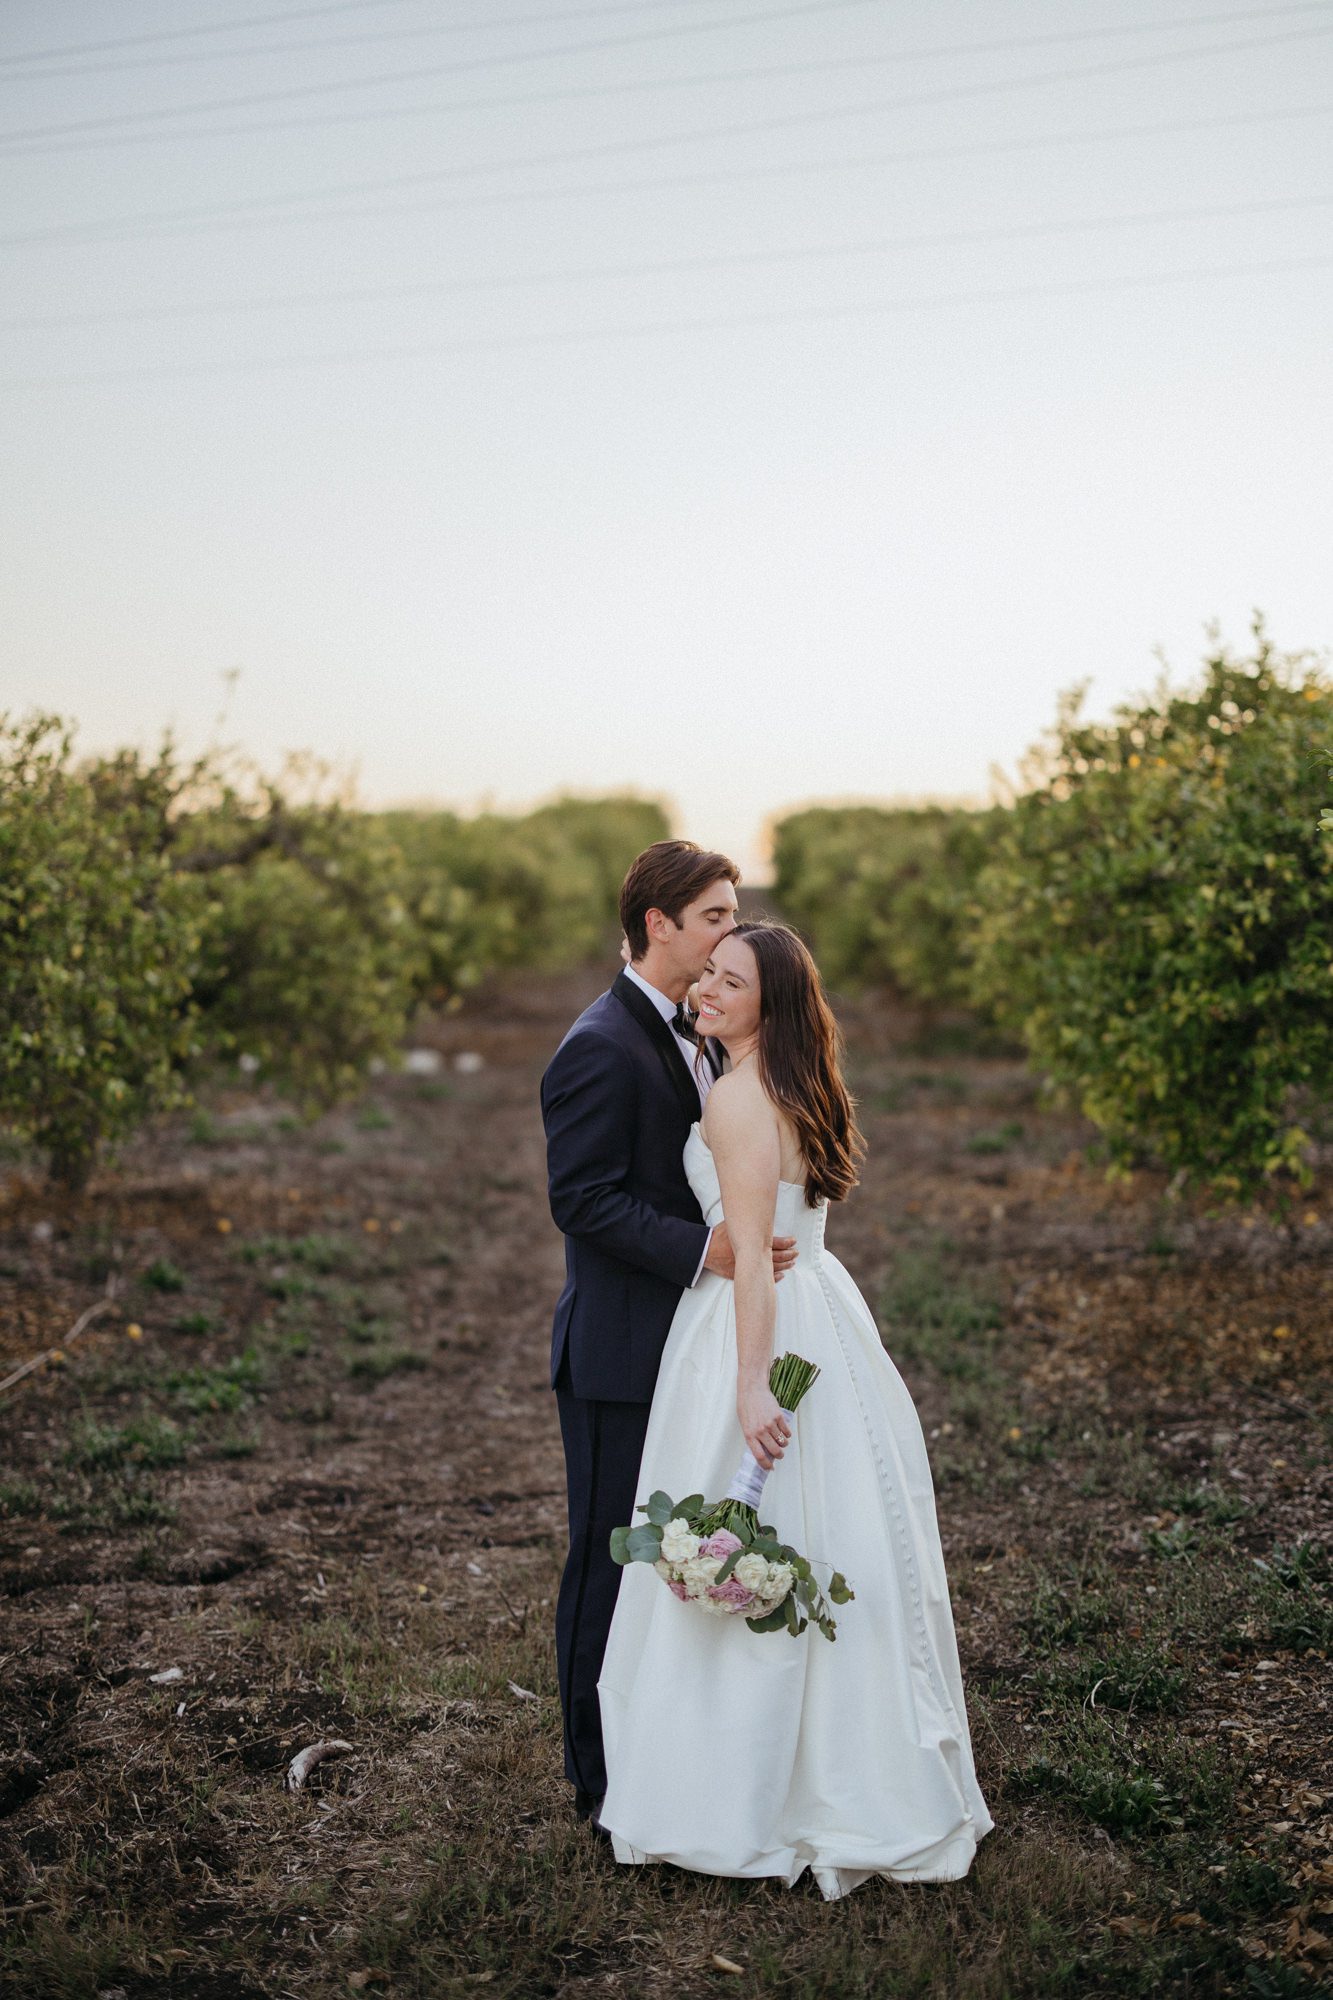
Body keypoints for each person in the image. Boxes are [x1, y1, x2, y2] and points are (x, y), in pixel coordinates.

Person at [597, 920, 996, 1897]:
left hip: (763, 1322)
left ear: (769, 1003)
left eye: (731, 983)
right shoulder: (799, 1084)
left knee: (760, 1522)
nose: (708, 991)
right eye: (709, 975)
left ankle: (751, 1793)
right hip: (827, 1308)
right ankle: (852, 1757)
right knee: (837, 1528)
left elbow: (751, 1267)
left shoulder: (736, 1099)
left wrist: (748, 1383)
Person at [540, 843, 799, 1826]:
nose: (727, 935)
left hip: (681, 1346)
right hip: (617, 1350)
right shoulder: (599, 1044)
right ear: (659, 923)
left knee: (665, 1556)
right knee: (607, 1558)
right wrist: (712, 1250)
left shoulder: (698, 1035)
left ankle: (659, 1750)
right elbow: (583, 1199)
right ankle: (594, 1779)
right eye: (714, 918)